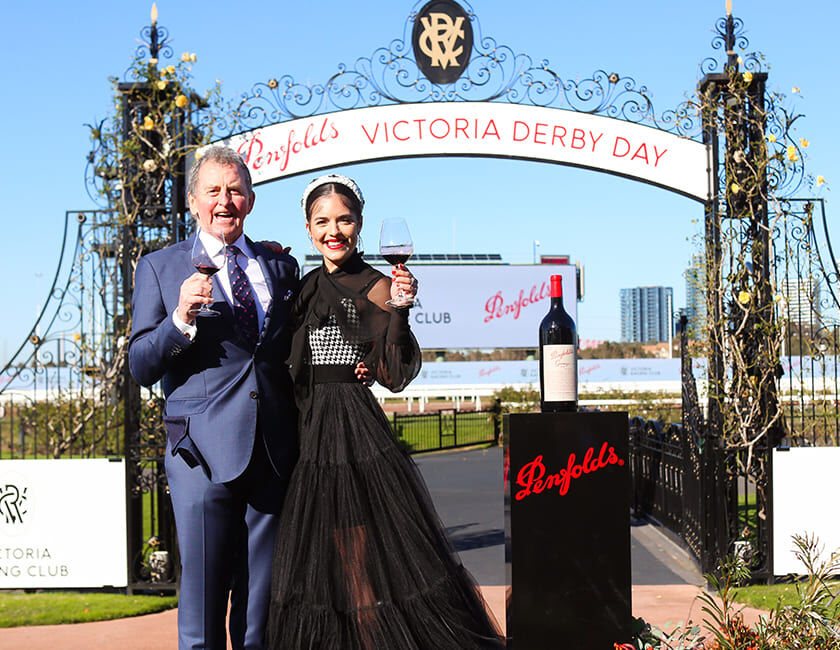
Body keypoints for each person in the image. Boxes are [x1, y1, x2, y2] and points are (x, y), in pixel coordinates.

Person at [265, 174, 504, 649]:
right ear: (308, 228)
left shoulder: (378, 285)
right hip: (304, 431)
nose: (334, 231)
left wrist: (402, 311)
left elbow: (394, 374)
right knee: (320, 564)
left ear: (360, 224)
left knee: (359, 559)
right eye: (322, 221)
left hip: (350, 434)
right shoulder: (305, 286)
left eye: (345, 220)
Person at [128, 145, 300, 649]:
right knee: (201, 618)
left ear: (250, 199)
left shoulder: (278, 266)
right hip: (199, 458)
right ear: (192, 201)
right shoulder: (160, 268)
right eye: (213, 191)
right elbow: (141, 365)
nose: (225, 200)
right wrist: (179, 318)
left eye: (236, 189)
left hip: (271, 454)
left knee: (259, 620)